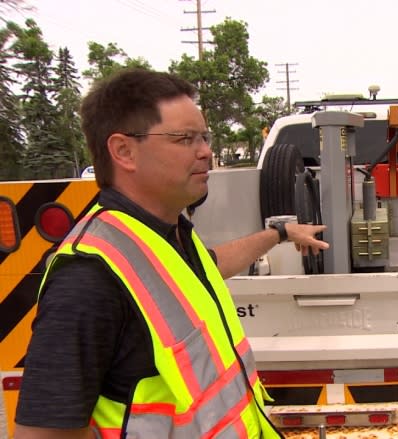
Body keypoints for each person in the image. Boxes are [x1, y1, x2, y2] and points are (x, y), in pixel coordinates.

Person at [15, 69, 329, 439]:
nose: (206, 151)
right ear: (124, 151)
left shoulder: (165, 234)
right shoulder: (88, 277)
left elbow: (213, 265)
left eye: (205, 137)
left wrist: (278, 233)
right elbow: (42, 433)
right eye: (185, 139)